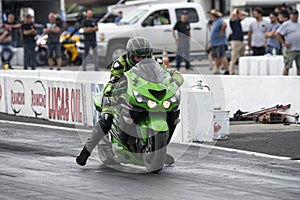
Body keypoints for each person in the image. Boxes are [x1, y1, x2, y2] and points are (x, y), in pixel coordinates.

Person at [76, 37, 183, 166]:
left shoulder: (155, 62)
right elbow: (113, 80)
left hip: (141, 95)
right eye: (138, 58)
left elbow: (165, 73)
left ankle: (157, 148)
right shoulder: (120, 63)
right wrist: (112, 89)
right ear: (130, 55)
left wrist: (175, 79)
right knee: (106, 118)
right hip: (117, 96)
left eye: (145, 57)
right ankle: (85, 153)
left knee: (172, 111)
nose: (142, 60)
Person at [275, 9, 300, 75]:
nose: (294, 16)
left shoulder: (299, 24)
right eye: (293, 15)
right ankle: (285, 80)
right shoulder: (286, 24)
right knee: (287, 66)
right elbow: (277, 34)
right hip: (291, 49)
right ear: (290, 15)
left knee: (299, 67)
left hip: (299, 48)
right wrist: (284, 43)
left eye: (296, 15)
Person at [209, 9, 229, 75]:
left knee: (221, 56)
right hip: (214, 43)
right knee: (215, 56)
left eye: (211, 15)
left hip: (219, 42)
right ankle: (217, 69)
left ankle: (227, 69)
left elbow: (225, 25)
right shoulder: (214, 22)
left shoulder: (219, 21)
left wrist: (222, 31)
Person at [229, 8, 248, 75]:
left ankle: (241, 70)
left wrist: (240, 12)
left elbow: (246, 15)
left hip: (241, 40)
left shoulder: (238, 21)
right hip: (235, 40)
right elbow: (233, 14)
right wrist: (236, 10)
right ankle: (231, 71)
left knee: (241, 57)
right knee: (234, 57)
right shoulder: (232, 21)